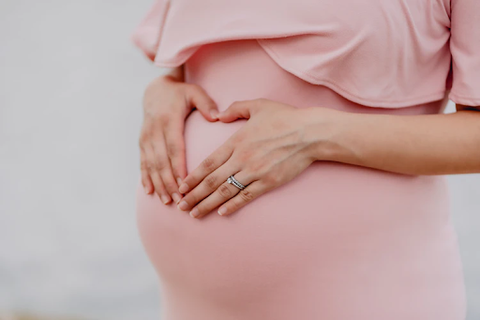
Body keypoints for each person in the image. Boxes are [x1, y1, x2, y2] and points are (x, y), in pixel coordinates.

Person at [131, 0, 479, 319]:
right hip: (191, 301)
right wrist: (162, 91)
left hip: (361, 291)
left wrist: (316, 134)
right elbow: (194, 63)